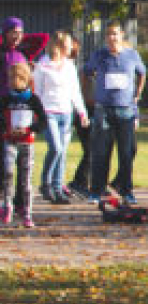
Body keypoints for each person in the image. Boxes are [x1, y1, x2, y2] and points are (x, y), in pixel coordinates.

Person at [82, 23, 147, 204]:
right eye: (109, 34)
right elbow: (86, 72)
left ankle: (126, 191)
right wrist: (88, 96)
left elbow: (142, 73)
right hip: (103, 109)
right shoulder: (99, 55)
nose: (112, 38)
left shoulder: (132, 55)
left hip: (125, 110)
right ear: (105, 37)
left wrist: (137, 96)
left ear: (122, 35)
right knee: (100, 152)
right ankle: (96, 191)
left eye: (115, 34)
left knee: (126, 153)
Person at [33, 32, 89, 204]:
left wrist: (82, 112)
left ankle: (58, 189)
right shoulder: (43, 64)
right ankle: (45, 183)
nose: (72, 48)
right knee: (56, 148)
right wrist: (37, 113)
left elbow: (75, 91)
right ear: (59, 45)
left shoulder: (69, 66)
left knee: (63, 152)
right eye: (69, 44)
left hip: (66, 113)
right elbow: (37, 91)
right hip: (48, 112)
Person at [1, 62, 47, 227]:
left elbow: (43, 121)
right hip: (10, 141)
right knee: (8, 173)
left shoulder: (32, 99)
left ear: (27, 79)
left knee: (26, 178)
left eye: (19, 78)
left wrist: (29, 129)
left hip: (27, 142)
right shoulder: (6, 99)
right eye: (12, 77)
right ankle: (7, 206)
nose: (15, 81)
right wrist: (7, 130)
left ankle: (27, 211)